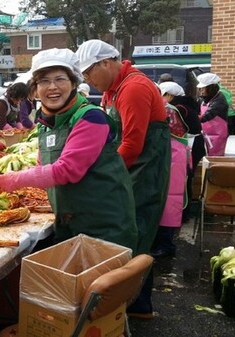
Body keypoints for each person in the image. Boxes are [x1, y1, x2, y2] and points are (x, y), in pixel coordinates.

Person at [0, 48, 138, 252]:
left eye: (60, 79)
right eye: (44, 81)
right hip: (70, 223)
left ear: (74, 83)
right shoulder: (46, 124)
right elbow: (42, 167)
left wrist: (14, 180)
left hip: (104, 226)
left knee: (103, 284)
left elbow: (67, 170)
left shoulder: (91, 118)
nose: (52, 87)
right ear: (35, 89)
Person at [76, 39, 171, 319]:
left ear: (106, 63)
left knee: (137, 230)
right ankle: (125, 302)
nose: (88, 80)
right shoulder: (113, 90)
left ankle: (138, 305)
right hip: (129, 168)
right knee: (124, 230)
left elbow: (131, 144)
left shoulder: (133, 88)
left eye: (89, 73)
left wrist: (104, 175)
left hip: (144, 170)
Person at [151, 82, 191, 258]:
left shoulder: (167, 110)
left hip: (172, 159)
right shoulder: (158, 107)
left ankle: (166, 245)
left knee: (168, 203)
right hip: (160, 159)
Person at [196, 72, 228, 156]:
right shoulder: (204, 99)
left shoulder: (219, 100)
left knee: (215, 158)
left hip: (218, 136)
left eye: (203, 89)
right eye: (200, 89)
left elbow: (207, 116)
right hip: (206, 134)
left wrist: (192, 119)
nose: (201, 91)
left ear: (211, 88)